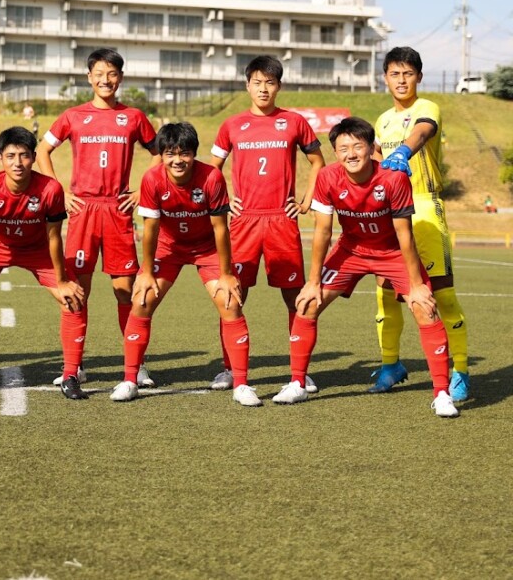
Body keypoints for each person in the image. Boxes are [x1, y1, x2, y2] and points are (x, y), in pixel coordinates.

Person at [272, 117, 457, 418]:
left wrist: (417, 285)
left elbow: (404, 234)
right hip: (351, 250)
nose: (351, 154)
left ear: (372, 148)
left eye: (358, 146)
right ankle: (297, 383)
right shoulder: (328, 178)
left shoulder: (393, 178)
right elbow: (322, 231)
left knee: (425, 308)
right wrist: (313, 280)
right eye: (343, 148)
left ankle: (442, 394)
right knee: (306, 304)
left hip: (392, 252)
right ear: (335, 152)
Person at [112, 122, 258, 406]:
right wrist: (144, 272)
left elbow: (220, 228)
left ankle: (240, 383)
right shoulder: (152, 179)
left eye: (184, 153)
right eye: (170, 153)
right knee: (141, 301)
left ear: (194, 154)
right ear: (161, 155)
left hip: (206, 248)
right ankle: (130, 379)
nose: (177, 160)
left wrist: (226, 274)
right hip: (169, 247)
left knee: (230, 303)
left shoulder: (212, 177)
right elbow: (150, 228)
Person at [37, 48, 157, 387]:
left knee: (125, 291)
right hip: (83, 211)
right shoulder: (73, 116)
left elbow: (159, 152)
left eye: (112, 74)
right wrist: (60, 191)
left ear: (120, 78)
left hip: (117, 211)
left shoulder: (133, 117)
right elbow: (43, 150)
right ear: (89, 77)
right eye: (99, 74)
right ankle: (72, 368)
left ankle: (136, 365)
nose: (105, 80)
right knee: (76, 290)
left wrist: (140, 191)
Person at [210, 55, 324, 392]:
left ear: (279, 86)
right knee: (231, 295)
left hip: (281, 220)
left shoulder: (293, 122)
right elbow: (212, 168)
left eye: (270, 82)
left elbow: (318, 161)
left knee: (296, 298)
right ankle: (229, 368)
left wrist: (306, 200)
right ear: (247, 85)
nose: (263, 88)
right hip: (243, 222)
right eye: (257, 82)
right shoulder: (232, 124)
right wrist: (224, 201)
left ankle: (298, 372)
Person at [0, 126, 86, 399]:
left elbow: (54, 237)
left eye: (23, 155)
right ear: (0, 158)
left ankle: (71, 375)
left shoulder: (51, 189)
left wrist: (62, 281)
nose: (17, 162)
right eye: (11, 156)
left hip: (37, 250)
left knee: (73, 299)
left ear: (34, 157)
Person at [370, 47, 471, 401]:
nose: (401, 80)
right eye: (395, 74)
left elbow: (423, 132)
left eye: (408, 73)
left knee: (441, 294)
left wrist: (403, 152)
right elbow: (376, 165)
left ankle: (459, 369)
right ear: (385, 77)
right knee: (386, 296)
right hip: (390, 214)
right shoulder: (381, 121)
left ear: (418, 77)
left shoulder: (426, 108)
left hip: (425, 208)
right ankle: (391, 364)